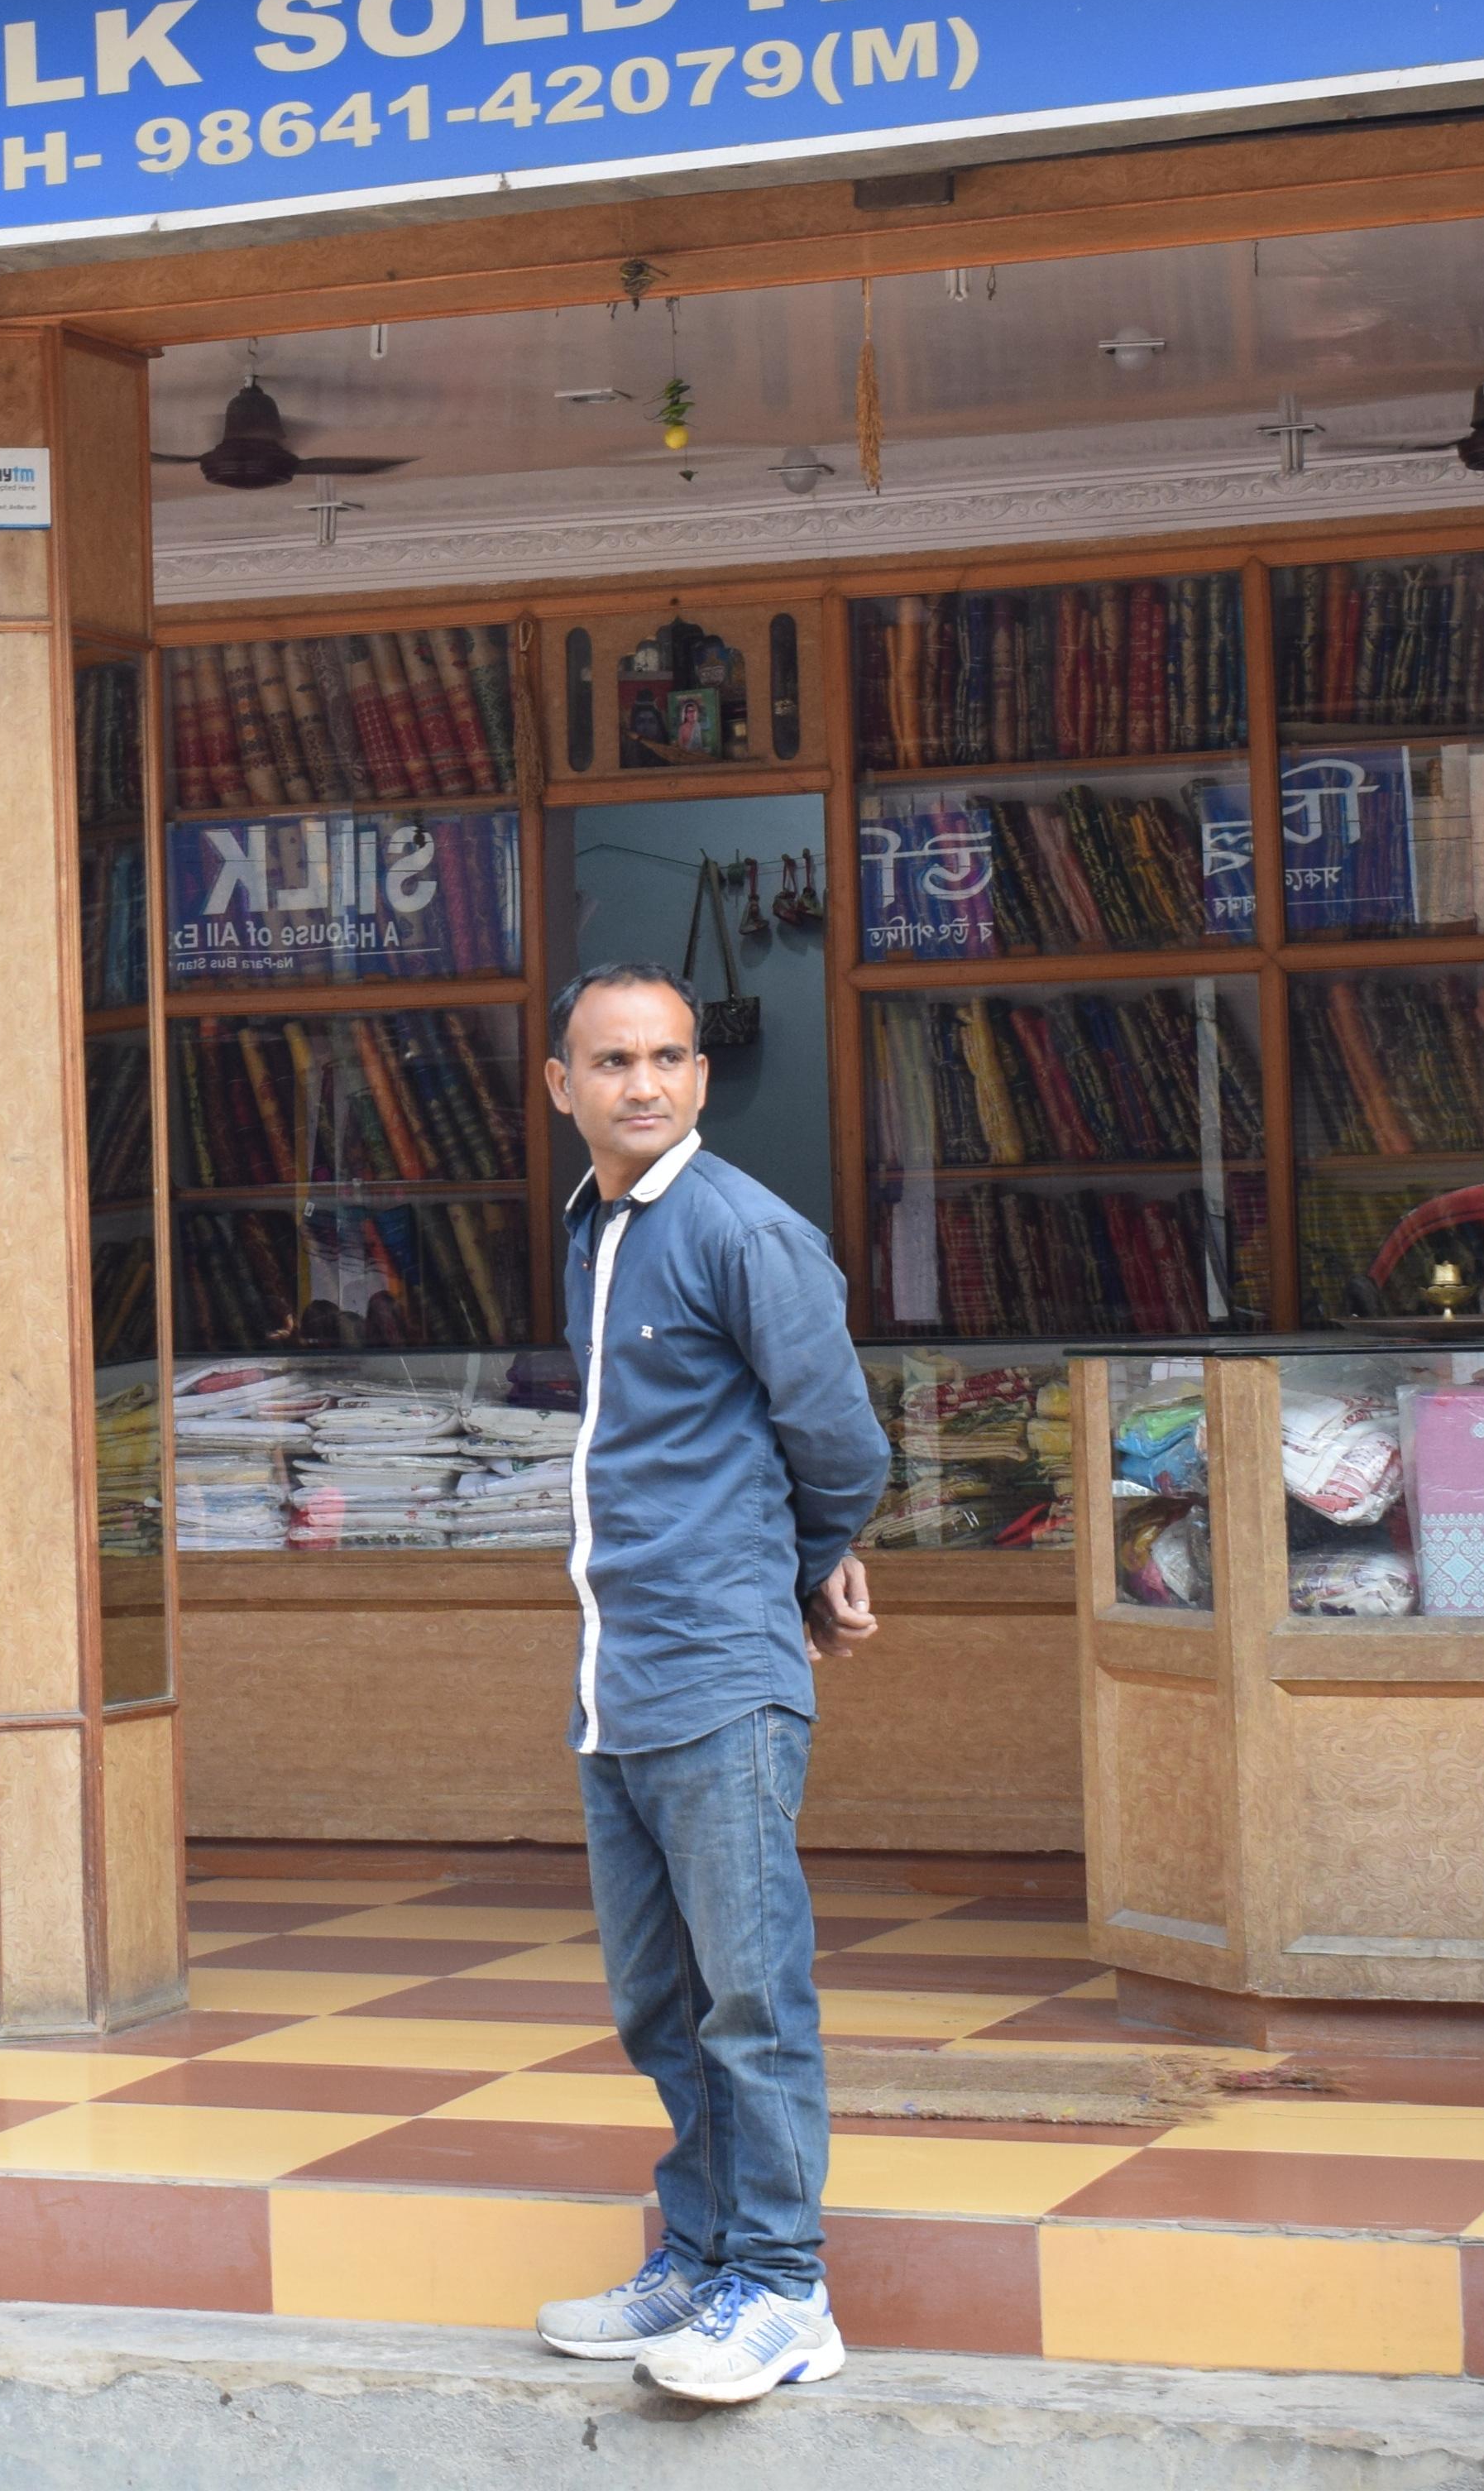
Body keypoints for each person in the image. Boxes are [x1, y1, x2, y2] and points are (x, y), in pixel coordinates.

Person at [524, 960, 887, 2404]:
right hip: (619, 1670)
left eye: (670, 1058)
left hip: (720, 1670)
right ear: (564, 1088)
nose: (645, 1084)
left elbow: (842, 1442)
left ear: (701, 1077)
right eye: (613, 1062)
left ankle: (786, 2289)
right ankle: (702, 2254)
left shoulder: (746, 1231)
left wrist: (802, 1568)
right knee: (657, 2002)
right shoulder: (595, 1230)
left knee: (752, 1996)